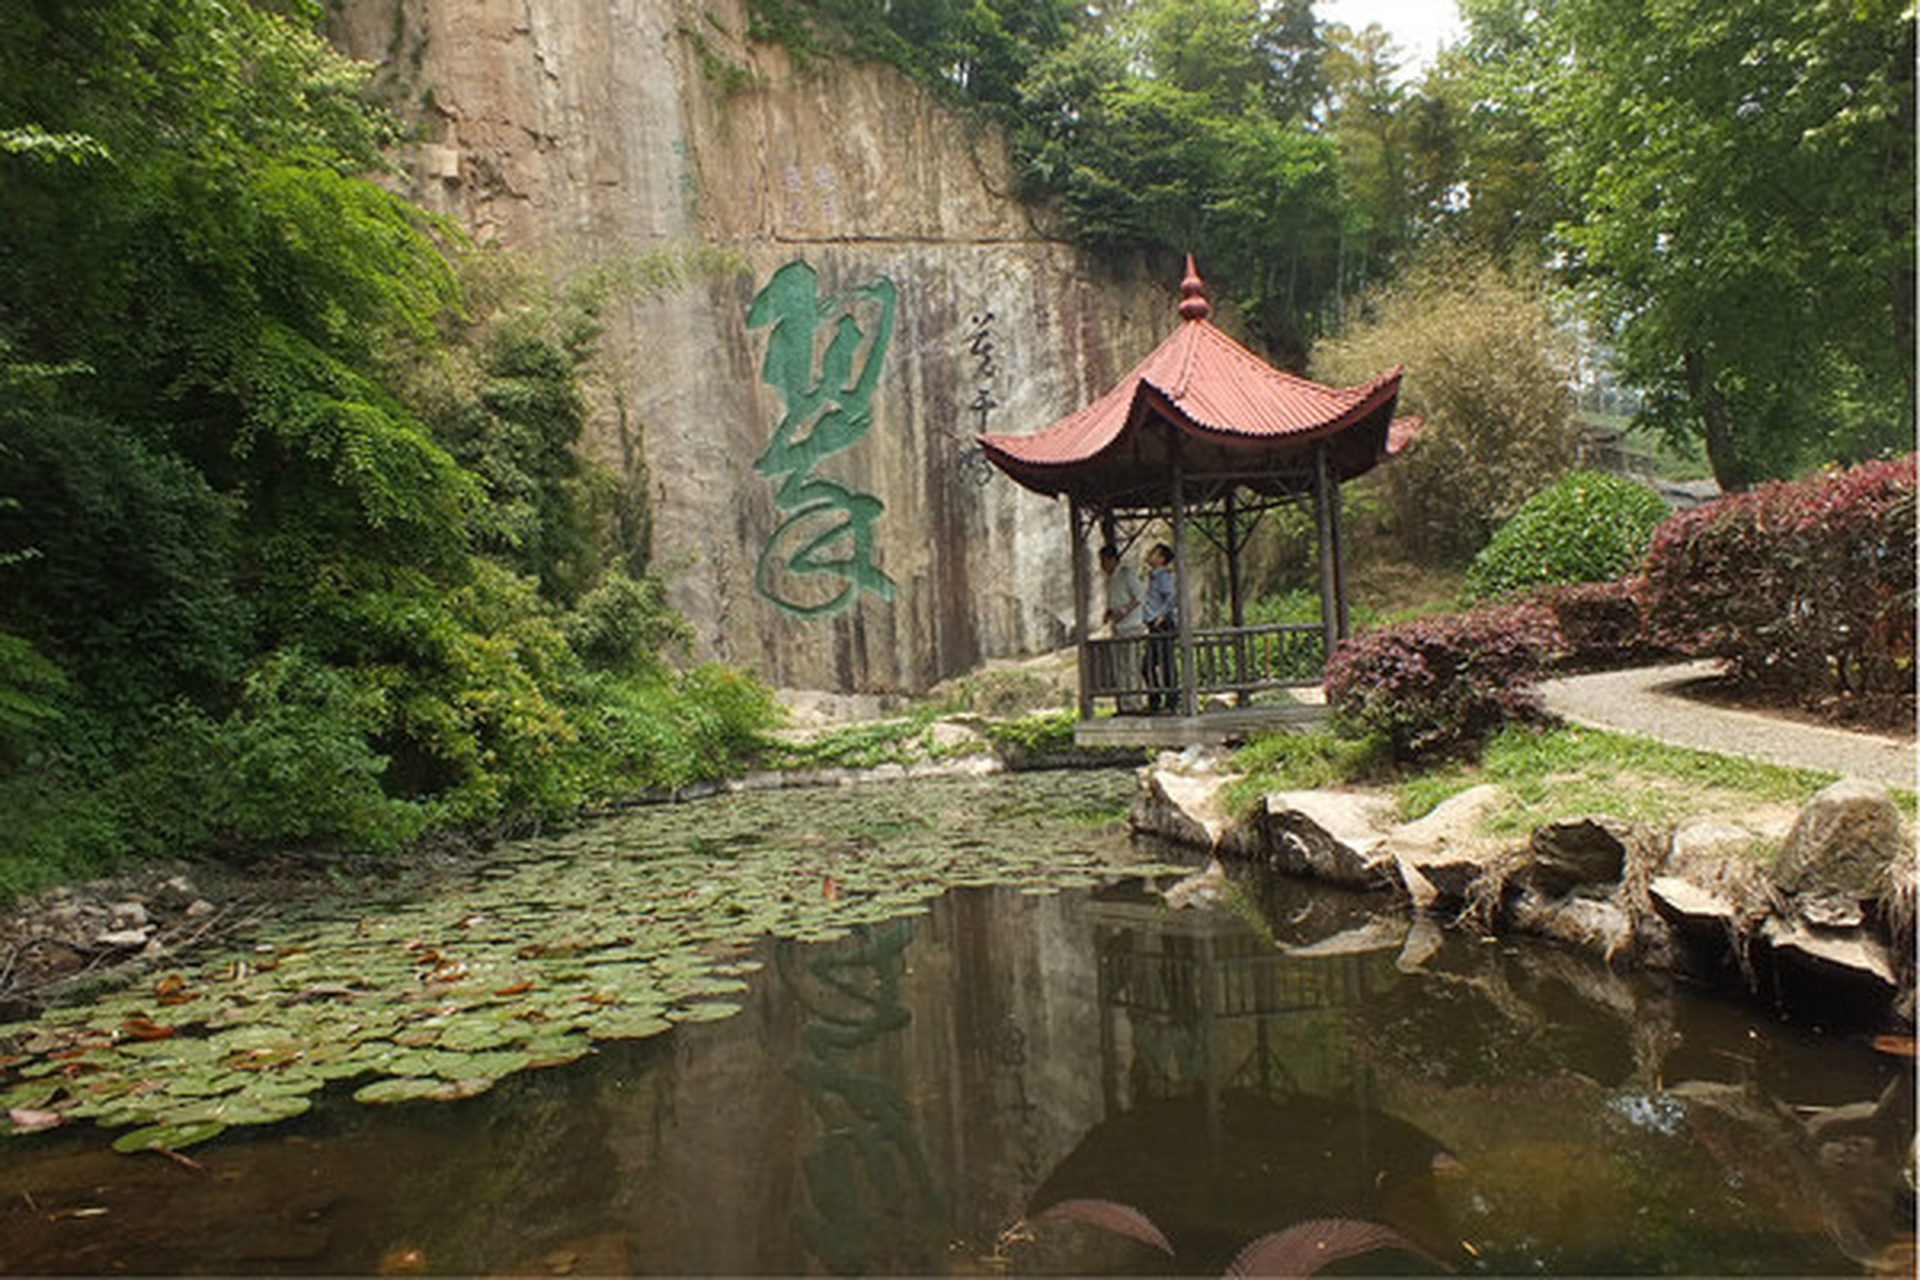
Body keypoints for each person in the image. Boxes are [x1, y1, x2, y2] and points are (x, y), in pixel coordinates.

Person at [1099, 545, 1145, 711]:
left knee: (1132, 666)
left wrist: (1124, 610)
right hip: (1118, 628)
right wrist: (1109, 613)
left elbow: (1139, 596)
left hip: (1133, 626)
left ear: (1113, 560)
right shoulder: (1110, 579)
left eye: (1104, 561)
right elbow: (1116, 601)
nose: (1102, 566)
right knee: (1120, 667)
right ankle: (1125, 705)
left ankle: (1136, 704)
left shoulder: (1127, 574)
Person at [1140, 542, 1177, 713]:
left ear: (1161, 559)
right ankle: (1156, 701)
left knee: (1165, 664)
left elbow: (1171, 595)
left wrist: (1162, 615)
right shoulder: (1154, 576)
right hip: (1154, 624)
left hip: (1162, 624)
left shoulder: (1163, 576)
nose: (1149, 554)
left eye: (1153, 553)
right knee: (1149, 665)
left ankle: (1170, 703)